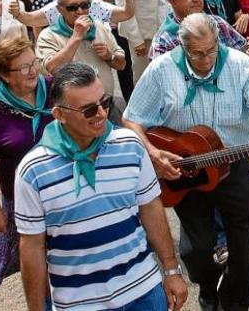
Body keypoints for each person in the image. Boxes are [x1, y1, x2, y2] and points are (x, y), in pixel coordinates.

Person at [122, 12, 249, 311]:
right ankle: (208, 287)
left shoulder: (239, 64)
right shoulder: (160, 70)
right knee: (198, 250)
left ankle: (234, 305)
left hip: (232, 166)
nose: (206, 59)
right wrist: (154, 154)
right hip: (186, 172)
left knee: (241, 246)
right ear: (182, 48)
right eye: (197, 54)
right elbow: (131, 120)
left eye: (211, 51)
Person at [14, 63, 189, 311]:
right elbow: (32, 246)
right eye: (88, 110)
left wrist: (171, 269)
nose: (101, 114)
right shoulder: (33, 170)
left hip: (144, 292)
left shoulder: (130, 145)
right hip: (79, 304)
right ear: (59, 115)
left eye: (104, 102)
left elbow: (151, 209)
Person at [0, 38, 53, 287]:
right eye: (24, 67)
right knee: (39, 264)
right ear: (5, 76)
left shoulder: (54, 89)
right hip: (23, 203)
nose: (33, 71)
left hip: (63, 191)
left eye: (34, 63)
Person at [36, 0, 125, 108]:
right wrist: (77, 36)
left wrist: (109, 57)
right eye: (72, 7)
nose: (80, 11)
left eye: (84, 5)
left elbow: (122, 65)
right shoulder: (48, 35)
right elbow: (53, 68)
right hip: (78, 112)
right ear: (60, 9)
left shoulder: (99, 27)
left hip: (107, 104)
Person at [149, 0, 249, 60]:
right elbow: (161, 79)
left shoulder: (218, 23)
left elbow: (241, 52)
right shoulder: (164, 41)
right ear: (172, 1)